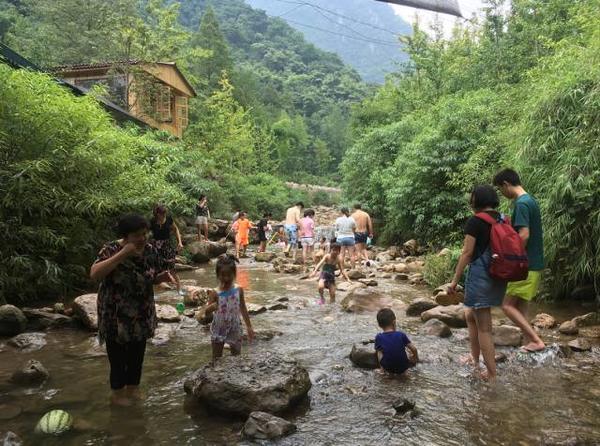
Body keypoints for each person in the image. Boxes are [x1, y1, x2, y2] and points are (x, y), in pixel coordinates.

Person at [90, 214, 170, 406]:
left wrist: (161, 278)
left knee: (136, 358)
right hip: (115, 314)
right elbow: (94, 274)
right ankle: (117, 396)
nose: (143, 238)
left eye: (145, 233)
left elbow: (149, 275)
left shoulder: (150, 250)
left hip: (141, 313)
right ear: (125, 236)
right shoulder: (111, 249)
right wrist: (122, 254)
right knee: (117, 360)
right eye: (137, 235)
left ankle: (133, 391)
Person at [448, 185, 507, 381]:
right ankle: (474, 358)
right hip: (499, 274)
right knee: (469, 314)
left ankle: (491, 374)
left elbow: (467, 253)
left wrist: (455, 280)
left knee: (484, 326)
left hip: (481, 275)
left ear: (476, 201)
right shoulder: (503, 218)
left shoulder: (475, 221)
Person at [494, 169, 546, 352]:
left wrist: (512, 261)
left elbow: (523, 235)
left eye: (501, 189)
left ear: (506, 184)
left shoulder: (522, 204)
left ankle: (537, 341)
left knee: (507, 305)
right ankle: (528, 342)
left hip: (525, 265)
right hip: (535, 263)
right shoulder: (531, 200)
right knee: (521, 306)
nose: (502, 193)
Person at [201, 255, 254, 362]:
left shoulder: (238, 290)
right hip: (218, 328)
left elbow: (243, 308)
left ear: (234, 274)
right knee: (216, 359)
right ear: (217, 275)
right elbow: (207, 314)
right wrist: (207, 310)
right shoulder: (215, 293)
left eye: (229, 275)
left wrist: (249, 327)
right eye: (222, 275)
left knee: (237, 358)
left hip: (235, 327)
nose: (226, 278)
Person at [150, 205, 184, 294]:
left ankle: (179, 289)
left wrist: (179, 242)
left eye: (165, 213)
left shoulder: (169, 219)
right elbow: (145, 233)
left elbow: (176, 229)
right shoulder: (152, 221)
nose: (164, 215)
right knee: (155, 269)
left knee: (172, 268)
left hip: (167, 246)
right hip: (156, 247)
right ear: (157, 214)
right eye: (162, 214)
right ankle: (155, 292)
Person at [375, 308, 418, 375]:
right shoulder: (401, 334)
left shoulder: (379, 337)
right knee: (406, 350)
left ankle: (382, 370)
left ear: (379, 325)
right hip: (404, 367)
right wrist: (415, 358)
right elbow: (414, 349)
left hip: (388, 367)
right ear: (394, 322)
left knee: (379, 350)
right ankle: (405, 372)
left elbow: (380, 352)